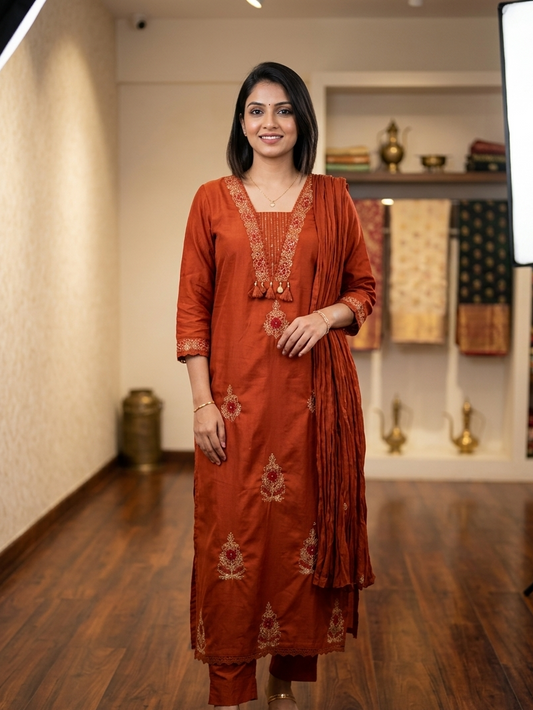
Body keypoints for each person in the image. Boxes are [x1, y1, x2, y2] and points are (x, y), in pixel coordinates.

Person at [176, 61, 376, 710]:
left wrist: (323, 316)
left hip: (311, 411)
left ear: (301, 122)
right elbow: (192, 308)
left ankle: (284, 686)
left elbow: (364, 292)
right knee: (227, 549)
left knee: (300, 546)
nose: (270, 123)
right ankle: (230, 695)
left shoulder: (333, 198)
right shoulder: (210, 199)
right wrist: (202, 402)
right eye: (257, 110)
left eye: (284, 110)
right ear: (241, 122)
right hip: (231, 411)